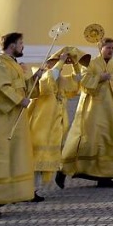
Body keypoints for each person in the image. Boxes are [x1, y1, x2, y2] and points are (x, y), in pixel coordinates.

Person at [0, 32, 42, 218]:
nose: (23, 46)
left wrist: (36, 77)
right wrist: (20, 100)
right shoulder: (0, 63)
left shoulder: (13, 64)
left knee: (12, 157)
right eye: (21, 43)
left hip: (13, 118)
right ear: (12, 45)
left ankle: (2, 195)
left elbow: (23, 86)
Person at [60, 38, 113, 188]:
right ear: (100, 48)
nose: (111, 50)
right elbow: (83, 83)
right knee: (86, 140)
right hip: (92, 109)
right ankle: (64, 169)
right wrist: (99, 78)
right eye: (108, 47)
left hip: (110, 110)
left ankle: (104, 176)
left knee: (108, 140)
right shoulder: (89, 63)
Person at [28, 47, 82, 194]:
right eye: (54, 62)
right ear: (47, 64)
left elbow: (78, 81)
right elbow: (47, 83)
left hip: (56, 126)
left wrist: (75, 63)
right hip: (41, 125)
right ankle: (31, 190)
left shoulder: (61, 80)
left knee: (47, 160)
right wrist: (61, 61)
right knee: (37, 159)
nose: (58, 65)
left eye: (59, 63)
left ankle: (36, 189)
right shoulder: (41, 75)